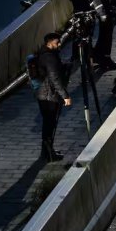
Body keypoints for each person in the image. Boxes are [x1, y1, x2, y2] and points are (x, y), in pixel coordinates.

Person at [36, 33, 72, 162]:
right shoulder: (49, 57)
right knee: (50, 124)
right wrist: (65, 96)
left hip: (43, 94)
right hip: (49, 96)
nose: (60, 44)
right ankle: (49, 153)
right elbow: (54, 78)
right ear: (49, 43)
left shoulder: (44, 54)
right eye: (57, 42)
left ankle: (47, 151)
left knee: (48, 124)